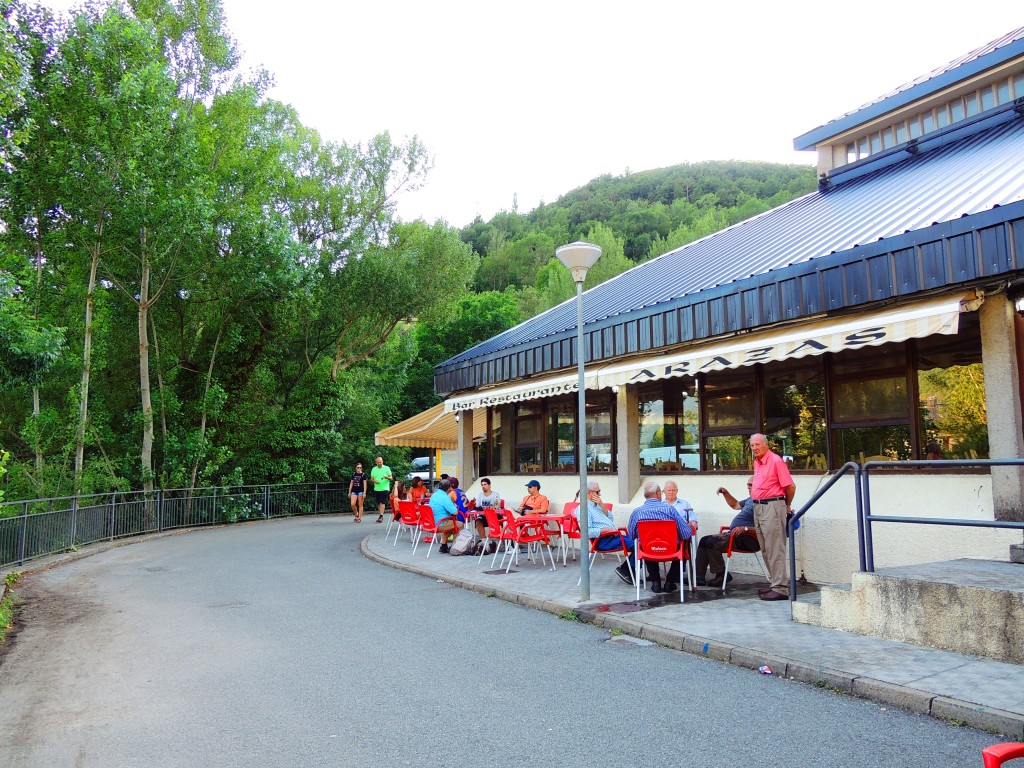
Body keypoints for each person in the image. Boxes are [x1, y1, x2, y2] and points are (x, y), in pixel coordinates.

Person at [615, 481, 693, 593]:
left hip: (649, 551)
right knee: (683, 547)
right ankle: (670, 582)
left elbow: (632, 536)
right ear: (658, 494)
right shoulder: (670, 510)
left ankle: (656, 583)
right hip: (671, 549)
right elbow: (686, 533)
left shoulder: (637, 512)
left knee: (646, 545)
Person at [749, 433, 796, 601]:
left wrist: (786, 506)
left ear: (766, 444)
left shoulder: (776, 461)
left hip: (773, 506)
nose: (754, 448)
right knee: (765, 548)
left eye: (757, 444)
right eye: (752, 445)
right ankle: (775, 584)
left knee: (775, 548)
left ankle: (781, 588)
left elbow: (790, 486)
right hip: (759, 507)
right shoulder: (757, 462)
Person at [693, 478, 759, 587]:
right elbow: (735, 505)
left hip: (747, 538)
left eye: (750, 484)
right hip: (735, 534)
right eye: (748, 484)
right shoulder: (750, 499)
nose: (748, 487)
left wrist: (745, 528)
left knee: (711, 543)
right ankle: (699, 577)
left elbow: (765, 527)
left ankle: (722, 575)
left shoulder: (762, 503)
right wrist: (725, 492)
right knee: (704, 540)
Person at [583, 481, 633, 553]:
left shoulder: (597, 505)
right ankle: (632, 564)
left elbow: (610, 518)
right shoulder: (584, 509)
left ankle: (629, 565)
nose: (599, 494)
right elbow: (587, 532)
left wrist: (602, 505)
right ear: (589, 493)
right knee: (637, 544)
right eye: (597, 492)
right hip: (602, 541)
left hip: (613, 536)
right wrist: (607, 530)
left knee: (638, 542)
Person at [428, 479, 459, 553]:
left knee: (449, 522)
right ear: (448, 488)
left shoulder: (434, 495)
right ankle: (455, 547)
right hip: (440, 524)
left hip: (431, 523)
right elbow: (455, 512)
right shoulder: (445, 497)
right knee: (459, 524)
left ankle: (443, 546)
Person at [370, 456, 393, 523]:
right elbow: (371, 479)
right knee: (378, 503)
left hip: (385, 488)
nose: (379, 463)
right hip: (377, 488)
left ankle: (381, 516)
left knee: (382, 502)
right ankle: (380, 514)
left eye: (380, 462)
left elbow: (391, 478)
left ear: (382, 462)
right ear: (376, 463)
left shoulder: (387, 468)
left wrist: (387, 477)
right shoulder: (374, 469)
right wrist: (375, 481)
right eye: (378, 462)